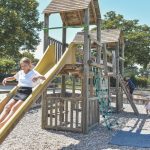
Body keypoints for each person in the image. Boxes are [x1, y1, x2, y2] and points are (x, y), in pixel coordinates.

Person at [0, 57, 46, 129]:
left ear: (29, 65)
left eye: (25, 65)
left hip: (27, 91)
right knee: (7, 106)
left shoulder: (33, 72)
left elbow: (44, 78)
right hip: (19, 91)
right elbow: (13, 78)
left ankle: (3, 123)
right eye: (22, 66)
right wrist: (6, 79)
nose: (23, 67)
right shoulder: (20, 72)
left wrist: (37, 77)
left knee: (14, 108)